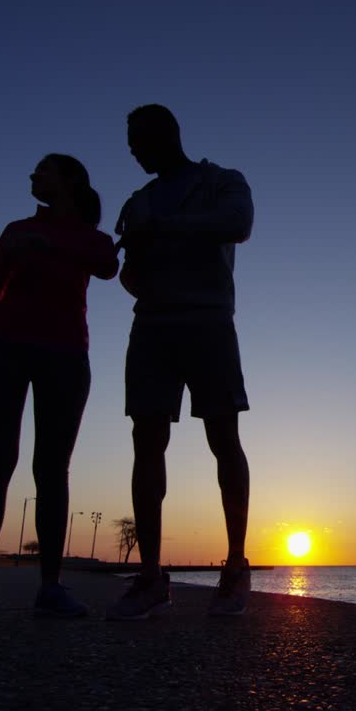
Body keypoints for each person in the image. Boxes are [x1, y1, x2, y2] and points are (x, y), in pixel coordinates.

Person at [105, 104, 254, 620]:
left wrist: (162, 228)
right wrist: (138, 269)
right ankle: (150, 576)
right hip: (151, 326)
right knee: (146, 441)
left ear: (166, 134)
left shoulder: (222, 180)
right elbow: (128, 274)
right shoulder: (137, 200)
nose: (133, 152)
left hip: (210, 322)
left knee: (223, 437)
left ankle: (235, 566)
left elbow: (238, 223)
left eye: (138, 141)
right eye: (130, 143)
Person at [0, 155, 118, 622]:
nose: (33, 175)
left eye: (44, 169)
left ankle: (50, 587)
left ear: (71, 181)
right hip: (1, 349)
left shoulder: (92, 237)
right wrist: (13, 256)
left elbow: (107, 265)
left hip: (65, 355)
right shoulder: (16, 230)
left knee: (52, 470)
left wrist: (48, 246)